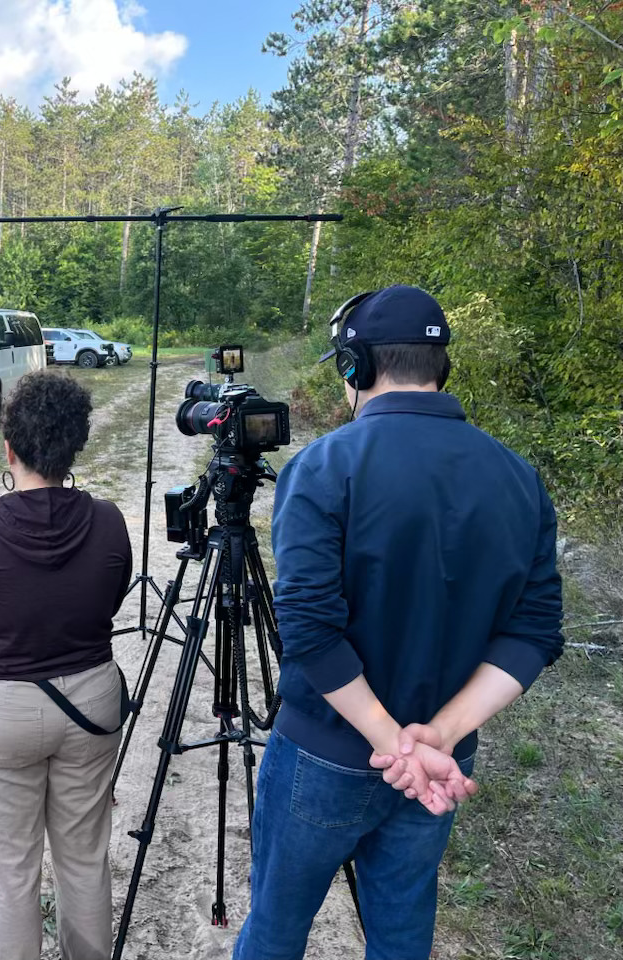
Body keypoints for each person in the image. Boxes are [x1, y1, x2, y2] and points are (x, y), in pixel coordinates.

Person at [234, 285, 563, 960]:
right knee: (403, 934)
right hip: (440, 762)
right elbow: (534, 630)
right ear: (442, 367)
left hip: (326, 755)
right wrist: (436, 739)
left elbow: (310, 631)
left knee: (276, 928)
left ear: (354, 367)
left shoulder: (325, 465)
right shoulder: (518, 477)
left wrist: (395, 746)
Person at [0, 372, 132, 960]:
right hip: (91, 703)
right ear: (74, 447)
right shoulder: (109, 520)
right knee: (85, 859)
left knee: (12, 872)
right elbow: (108, 602)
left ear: (8, 448)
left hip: (1, 712)